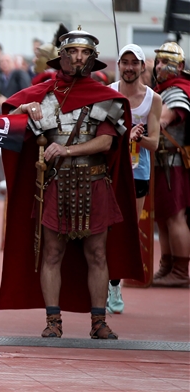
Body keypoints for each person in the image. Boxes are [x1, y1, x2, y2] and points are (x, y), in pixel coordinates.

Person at [0, 27, 142, 339]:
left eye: (85, 53)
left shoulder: (106, 98)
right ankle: (53, 321)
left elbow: (105, 143)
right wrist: (24, 111)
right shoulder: (43, 97)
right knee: (51, 253)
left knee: (97, 254)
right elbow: (12, 117)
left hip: (94, 182)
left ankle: (98, 322)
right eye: (72, 52)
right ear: (60, 57)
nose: (78, 58)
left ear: (92, 59)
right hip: (56, 183)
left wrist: (67, 149)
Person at [108, 44, 162, 311]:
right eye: (124, 62)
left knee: (128, 228)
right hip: (110, 170)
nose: (129, 67)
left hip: (138, 173)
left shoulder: (154, 99)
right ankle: (102, 282)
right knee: (105, 228)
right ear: (119, 65)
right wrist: (123, 133)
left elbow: (155, 144)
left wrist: (139, 137)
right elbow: (99, 134)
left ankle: (115, 286)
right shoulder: (109, 93)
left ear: (143, 67)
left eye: (134, 63)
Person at [151, 42, 190, 287]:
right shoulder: (161, 89)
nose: (160, 66)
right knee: (162, 218)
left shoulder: (178, 90)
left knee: (175, 217)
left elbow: (163, 120)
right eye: (158, 61)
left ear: (181, 66)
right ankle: (167, 264)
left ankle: (180, 270)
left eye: (166, 62)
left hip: (173, 163)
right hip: (160, 162)